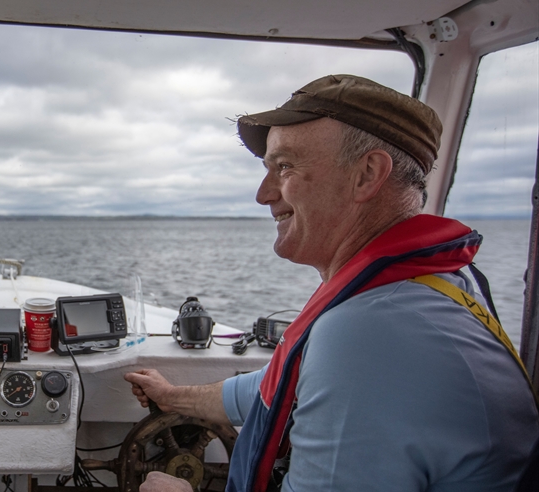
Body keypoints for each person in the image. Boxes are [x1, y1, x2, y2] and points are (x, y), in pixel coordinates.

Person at [125, 75, 539, 492]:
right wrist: (175, 397)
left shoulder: (374, 329)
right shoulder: (437, 286)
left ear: (367, 174)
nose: (263, 194)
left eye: (285, 167)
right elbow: (284, 382)